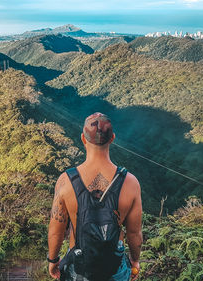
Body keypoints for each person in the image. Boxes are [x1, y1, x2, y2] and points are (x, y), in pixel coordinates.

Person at [47, 112, 143, 281]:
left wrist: (53, 261)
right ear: (112, 138)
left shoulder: (66, 181)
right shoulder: (130, 182)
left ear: (83, 139)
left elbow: (56, 231)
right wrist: (135, 261)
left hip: (78, 269)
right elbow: (134, 233)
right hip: (115, 269)